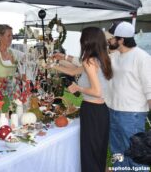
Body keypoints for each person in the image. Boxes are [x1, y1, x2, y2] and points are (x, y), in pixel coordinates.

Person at [50, 27, 113, 172]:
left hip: (92, 111)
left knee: (90, 154)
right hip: (102, 111)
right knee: (98, 152)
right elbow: (73, 71)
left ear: (86, 41)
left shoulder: (88, 61)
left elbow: (97, 91)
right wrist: (53, 66)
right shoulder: (102, 59)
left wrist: (78, 88)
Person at [107, 21, 151, 171]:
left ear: (121, 40)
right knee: (117, 151)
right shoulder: (114, 56)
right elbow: (94, 64)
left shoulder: (142, 57)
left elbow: (149, 88)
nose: (109, 40)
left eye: (112, 38)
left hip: (132, 114)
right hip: (112, 111)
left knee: (136, 153)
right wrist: (66, 58)